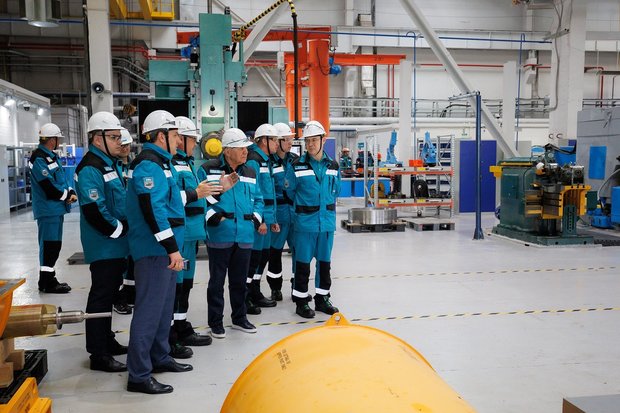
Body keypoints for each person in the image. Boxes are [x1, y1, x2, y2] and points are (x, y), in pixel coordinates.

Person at [125, 110, 192, 395]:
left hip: (164, 249)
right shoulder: (148, 166)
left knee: (164, 309)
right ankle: (139, 375)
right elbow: (154, 211)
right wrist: (172, 249)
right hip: (154, 250)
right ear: (161, 137)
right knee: (149, 312)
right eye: (175, 135)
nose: (178, 141)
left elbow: (171, 201)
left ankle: (159, 357)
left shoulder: (163, 164)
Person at [75, 111, 130, 373]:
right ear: (98, 139)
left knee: (109, 295)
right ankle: (98, 354)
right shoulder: (91, 168)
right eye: (114, 137)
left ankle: (107, 340)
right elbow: (94, 210)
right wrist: (120, 230)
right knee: (101, 296)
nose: (120, 141)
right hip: (104, 244)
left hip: (115, 244)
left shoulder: (108, 164)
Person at [197, 127, 262, 339]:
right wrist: (214, 218)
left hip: (244, 235)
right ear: (227, 151)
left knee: (240, 281)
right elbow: (201, 201)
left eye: (246, 148)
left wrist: (255, 219)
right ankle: (216, 322)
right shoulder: (207, 170)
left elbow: (258, 199)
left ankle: (239, 318)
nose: (245, 151)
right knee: (217, 282)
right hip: (220, 235)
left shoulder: (250, 172)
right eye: (240, 148)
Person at [169, 116, 223, 352]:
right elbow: (173, 198)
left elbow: (201, 194)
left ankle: (181, 326)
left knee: (186, 284)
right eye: (192, 139)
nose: (195, 144)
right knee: (176, 286)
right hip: (180, 234)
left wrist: (221, 188)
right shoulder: (173, 164)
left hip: (191, 234)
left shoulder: (188, 163)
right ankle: (171, 334)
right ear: (181, 139)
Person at [284, 120, 341, 319]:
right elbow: (289, 192)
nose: (310, 144)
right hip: (305, 225)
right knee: (302, 265)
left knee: (324, 264)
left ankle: (322, 299)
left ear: (323, 140)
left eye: (314, 140)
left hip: (326, 224)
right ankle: (301, 302)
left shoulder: (333, 165)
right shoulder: (296, 166)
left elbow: (336, 191)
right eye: (307, 141)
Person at [29, 123, 77, 294]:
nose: (58, 142)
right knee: (48, 246)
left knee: (54, 246)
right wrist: (67, 195)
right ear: (52, 140)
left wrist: (70, 190)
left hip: (56, 209)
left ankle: (49, 279)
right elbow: (48, 187)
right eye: (57, 139)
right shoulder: (39, 159)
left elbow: (61, 179)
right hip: (48, 210)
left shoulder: (51, 157)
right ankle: (46, 282)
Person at [244, 123, 280, 314]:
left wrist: (272, 219)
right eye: (274, 140)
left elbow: (269, 193)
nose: (277, 144)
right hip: (259, 221)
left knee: (262, 257)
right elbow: (253, 194)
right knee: (253, 259)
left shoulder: (266, 161)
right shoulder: (253, 161)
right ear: (264, 141)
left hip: (267, 218)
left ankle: (255, 291)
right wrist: (260, 220)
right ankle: (246, 296)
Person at [266, 122, 298, 301]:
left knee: (298, 251)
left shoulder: (295, 160)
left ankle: (297, 286)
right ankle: (275, 288)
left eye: (290, 139)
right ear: (277, 142)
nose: (290, 143)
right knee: (275, 252)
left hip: (295, 213)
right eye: (286, 139)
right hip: (278, 214)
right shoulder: (269, 162)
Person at [113, 129, 134, 315]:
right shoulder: (113, 167)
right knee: (120, 261)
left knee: (132, 259)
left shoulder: (134, 165)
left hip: (132, 219)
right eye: (123, 145)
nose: (125, 148)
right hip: (118, 220)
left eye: (128, 145)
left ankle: (130, 294)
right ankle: (119, 298)